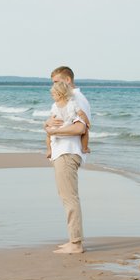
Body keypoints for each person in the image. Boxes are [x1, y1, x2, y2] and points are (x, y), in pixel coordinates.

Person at [44, 67, 91, 255]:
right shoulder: (63, 100)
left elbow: (81, 128)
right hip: (61, 151)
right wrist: (46, 125)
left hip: (68, 151)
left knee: (69, 197)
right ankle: (73, 240)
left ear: (68, 80)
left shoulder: (76, 99)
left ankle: (76, 242)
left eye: (57, 82)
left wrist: (53, 131)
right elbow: (52, 121)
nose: (54, 86)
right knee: (66, 196)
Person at [45, 81, 90, 160]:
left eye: (53, 95)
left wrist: (48, 124)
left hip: (56, 131)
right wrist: (87, 122)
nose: (52, 97)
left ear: (59, 94)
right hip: (69, 129)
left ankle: (49, 150)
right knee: (85, 131)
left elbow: (53, 118)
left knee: (48, 135)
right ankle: (84, 148)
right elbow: (81, 113)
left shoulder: (54, 106)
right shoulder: (72, 103)